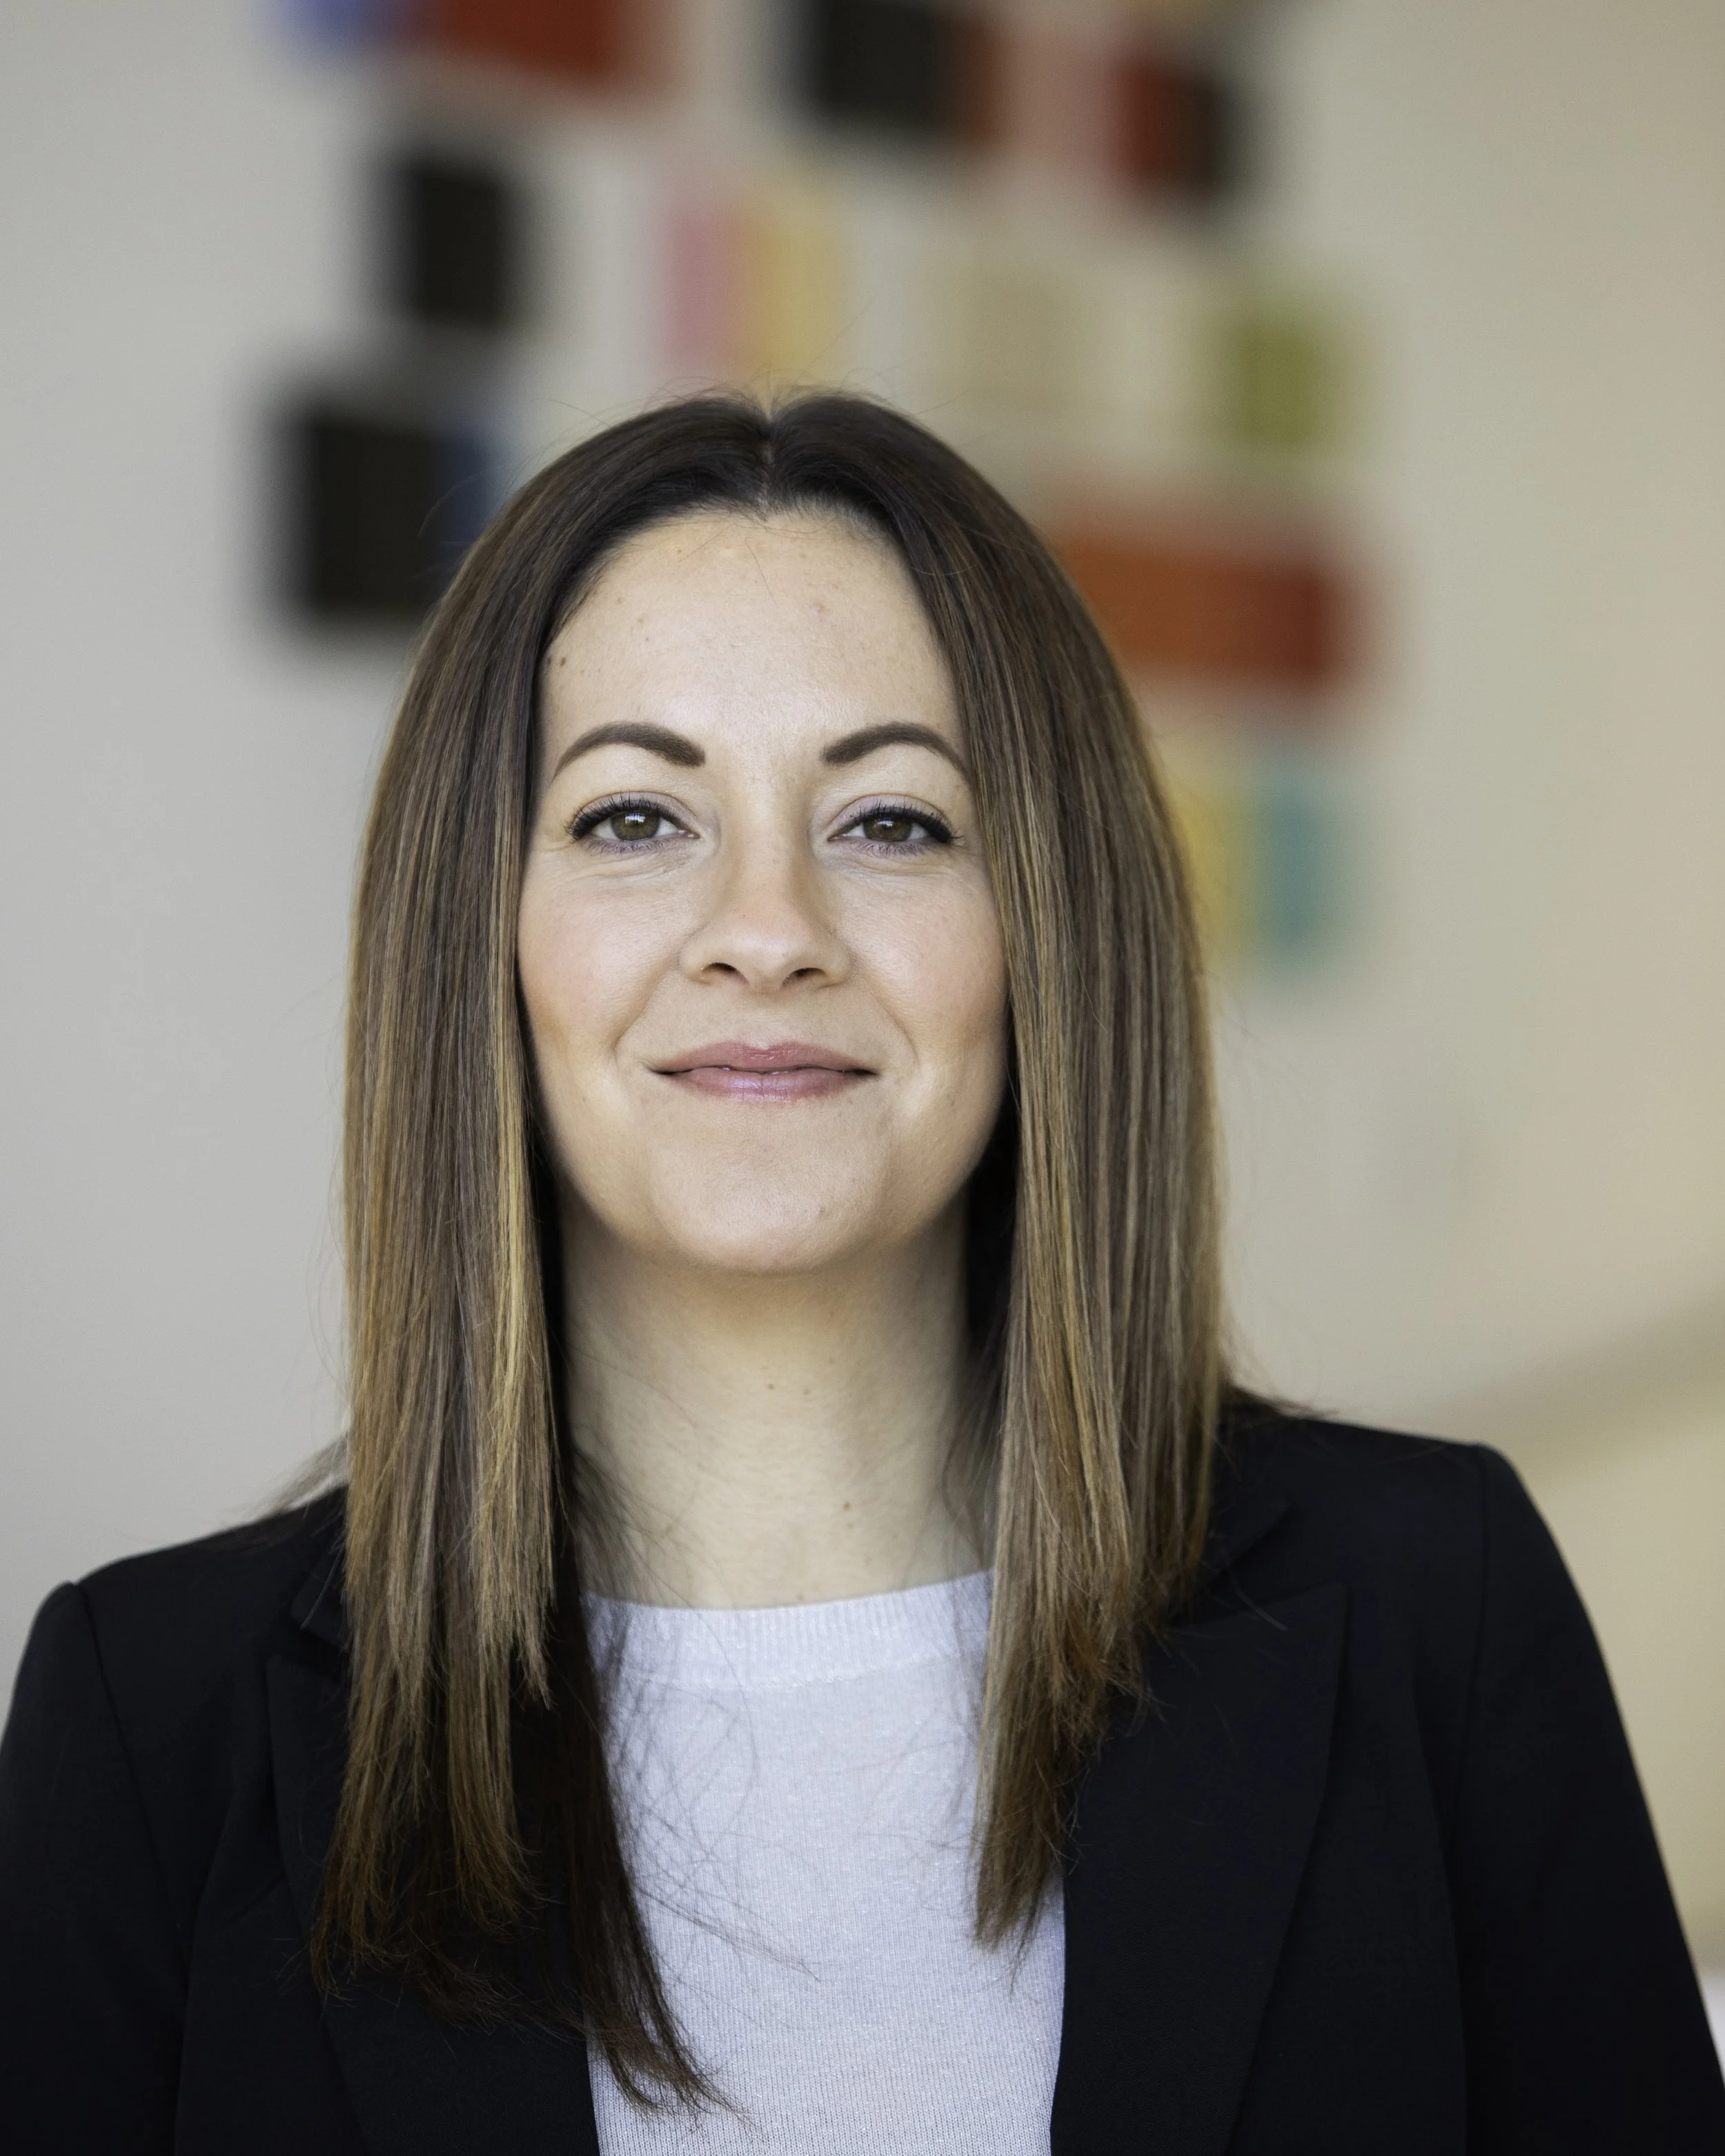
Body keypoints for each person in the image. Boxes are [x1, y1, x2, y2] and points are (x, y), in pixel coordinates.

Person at [1, 393, 1720, 2156]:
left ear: (1046, 924)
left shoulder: (1436, 1604)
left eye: (891, 820)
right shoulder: (154, 1720)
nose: (766, 928)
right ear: (482, 935)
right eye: (631, 819)